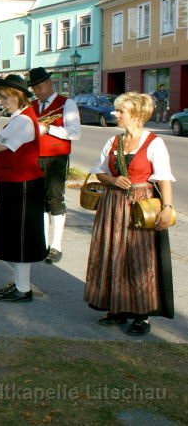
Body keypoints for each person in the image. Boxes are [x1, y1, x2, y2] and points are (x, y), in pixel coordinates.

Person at [85, 92, 175, 337]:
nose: (116, 115)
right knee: (113, 254)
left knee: (139, 259)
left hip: (141, 206)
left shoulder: (154, 142)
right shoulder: (114, 142)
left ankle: (141, 315)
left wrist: (167, 208)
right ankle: (117, 307)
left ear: (136, 115)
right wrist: (113, 179)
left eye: (121, 111)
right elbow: (99, 172)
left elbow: (164, 178)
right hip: (113, 204)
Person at [0, 75, 45, 303]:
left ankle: (23, 288)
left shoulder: (23, 121)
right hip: (15, 182)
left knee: (21, 237)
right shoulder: (18, 118)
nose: (2, 102)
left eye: (4, 98)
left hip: (23, 184)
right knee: (14, 236)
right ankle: (21, 283)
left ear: (17, 96)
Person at [28, 67, 81, 264]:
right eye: (34, 88)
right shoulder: (32, 105)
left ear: (50, 83)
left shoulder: (67, 104)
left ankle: (56, 246)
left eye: (40, 86)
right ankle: (42, 244)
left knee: (55, 199)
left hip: (56, 158)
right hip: (34, 158)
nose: (37, 91)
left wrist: (49, 128)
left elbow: (75, 133)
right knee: (39, 202)